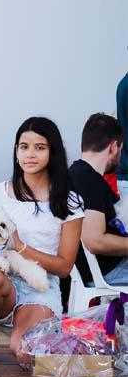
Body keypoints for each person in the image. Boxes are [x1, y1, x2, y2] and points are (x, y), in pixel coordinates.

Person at [0, 117, 83, 365]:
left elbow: (64, 267)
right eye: (23, 146)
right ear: (16, 151)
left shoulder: (70, 202)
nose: (30, 154)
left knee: (26, 353)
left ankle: (32, 331)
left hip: (40, 286)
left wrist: (20, 247)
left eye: (40, 147)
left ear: (53, 152)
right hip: (0, 277)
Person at [68, 113, 127, 290]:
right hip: (106, 272)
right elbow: (94, 241)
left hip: (96, 270)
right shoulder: (90, 181)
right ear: (114, 147)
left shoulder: (74, 174)